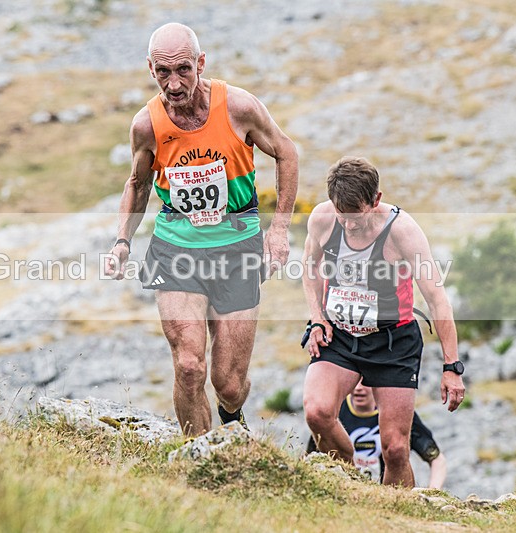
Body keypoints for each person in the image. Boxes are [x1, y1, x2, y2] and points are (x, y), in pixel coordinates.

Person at [103, 23, 298, 437]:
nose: (174, 84)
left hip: (238, 248)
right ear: (150, 69)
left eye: (184, 70)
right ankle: (200, 460)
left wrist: (278, 229)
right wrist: (122, 241)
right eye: (163, 73)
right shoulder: (146, 125)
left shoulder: (238, 107)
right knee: (189, 366)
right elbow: (137, 184)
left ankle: (231, 420)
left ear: (201, 63)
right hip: (177, 250)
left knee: (229, 384)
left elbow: (287, 153)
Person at [301, 156, 464, 487]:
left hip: (393, 342)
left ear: (375, 200)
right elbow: (310, 265)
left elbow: (436, 298)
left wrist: (452, 367)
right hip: (342, 336)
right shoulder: (322, 219)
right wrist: (317, 319)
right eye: (341, 215)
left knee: (394, 448)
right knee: (316, 411)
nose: (348, 225)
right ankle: (350, 481)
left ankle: (398, 515)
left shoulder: (402, 231)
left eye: (356, 216)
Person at [305, 383, 447, 489]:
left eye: (365, 382)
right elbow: (310, 458)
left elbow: (437, 460)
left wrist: (432, 492)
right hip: (345, 491)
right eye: (355, 383)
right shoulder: (334, 412)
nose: (359, 388)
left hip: (387, 494)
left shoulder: (398, 413)